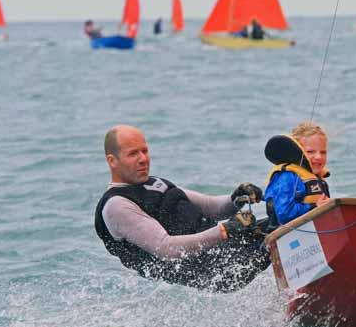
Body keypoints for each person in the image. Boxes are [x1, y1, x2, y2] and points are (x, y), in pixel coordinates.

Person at [95, 125, 270, 292]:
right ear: (112, 161)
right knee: (277, 233)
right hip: (210, 274)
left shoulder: (155, 183)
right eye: (133, 154)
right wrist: (224, 230)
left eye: (145, 151)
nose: (143, 159)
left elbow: (211, 207)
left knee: (282, 222)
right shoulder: (116, 205)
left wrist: (236, 199)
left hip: (225, 251)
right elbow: (166, 248)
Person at [263, 122, 331, 227]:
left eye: (323, 152)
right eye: (310, 152)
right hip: (285, 235)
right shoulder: (287, 177)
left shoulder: (318, 178)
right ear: (298, 152)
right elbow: (284, 214)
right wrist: (314, 207)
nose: (318, 157)